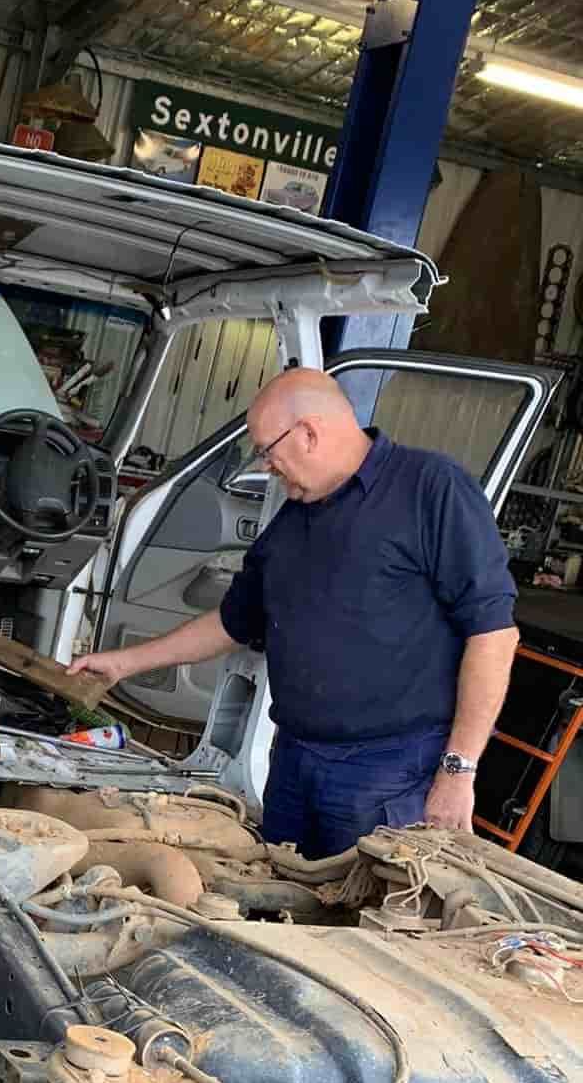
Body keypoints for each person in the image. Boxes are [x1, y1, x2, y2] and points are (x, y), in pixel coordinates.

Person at [67, 367, 519, 858]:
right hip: (294, 760)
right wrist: (123, 663)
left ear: (308, 432)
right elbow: (233, 622)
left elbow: (493, 634)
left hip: (388, 773)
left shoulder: (431, 489)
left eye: (267, 450)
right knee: (276, 900)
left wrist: (458, 769)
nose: (266, 467)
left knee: (358, 920)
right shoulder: (294, 515)